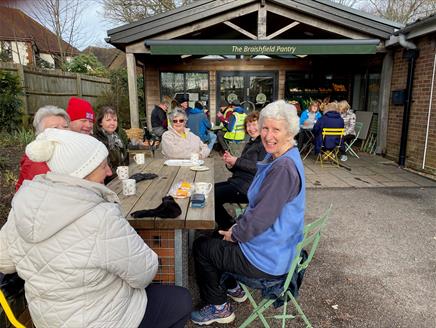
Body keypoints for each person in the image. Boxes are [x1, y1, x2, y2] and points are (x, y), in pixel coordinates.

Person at [0, 128, 192, 328]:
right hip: (104, 319)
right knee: (181, 300)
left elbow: (4, 262)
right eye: (103, 166)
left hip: (47, 320)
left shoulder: (22, 207)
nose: (110, 172)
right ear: (83, 172)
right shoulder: (101, 217)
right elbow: (145, 273)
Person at [191, 100, 305, 325]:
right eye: (265, 128)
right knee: (216, 237)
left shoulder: (283, 168)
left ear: (290, 132)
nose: (268, 135)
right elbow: (260, 213)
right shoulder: (284, 158)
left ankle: (219, 308)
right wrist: (236, 228)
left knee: (202, 247)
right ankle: (233, 289)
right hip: (276, 247)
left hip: (268, 260)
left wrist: (235, 233)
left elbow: (259, 220)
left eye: (276, 129)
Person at [215, 111, 266, 230]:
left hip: (248, 189)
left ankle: (228, 227)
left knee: (212, 197)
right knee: (210, 192)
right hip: (238, 183)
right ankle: (228, 223)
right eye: (248, 125)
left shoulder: (263, 144)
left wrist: (236, 160)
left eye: (254, 124)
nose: (251, 128)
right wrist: (231, 164)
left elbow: (259, 167)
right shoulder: (251, 143)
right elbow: (243, 168)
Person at [15, 105, 70, 190]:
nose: (63, 131)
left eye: (66, 127)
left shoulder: (68, 151)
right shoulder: (35, 163)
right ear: (41, 134)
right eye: (54, 128)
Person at [94, 106, 129, 183]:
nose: (112, 123)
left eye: (115, 120)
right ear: (100, 122)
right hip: (108, 183)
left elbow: (124, 160)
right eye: (108, 120)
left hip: (119, 179)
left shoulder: (117, 138)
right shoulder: (97, 141)